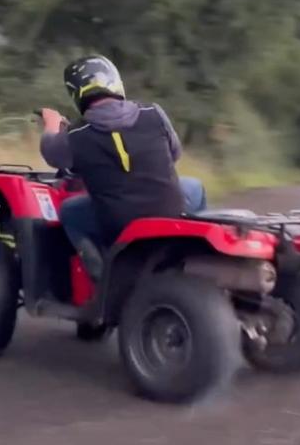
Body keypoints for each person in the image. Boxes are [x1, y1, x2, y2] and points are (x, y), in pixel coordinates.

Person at [38, 55, 206, 279]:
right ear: (114, 82)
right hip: (170, 211)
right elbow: (174, 154)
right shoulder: (153, 113)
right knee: (195, 187)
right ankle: (199, 254)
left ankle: (103, 278)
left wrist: (51, 124)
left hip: (120, 222)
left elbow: (51, 152)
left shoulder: (76, 135)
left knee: (69, 212)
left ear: (76, 93)